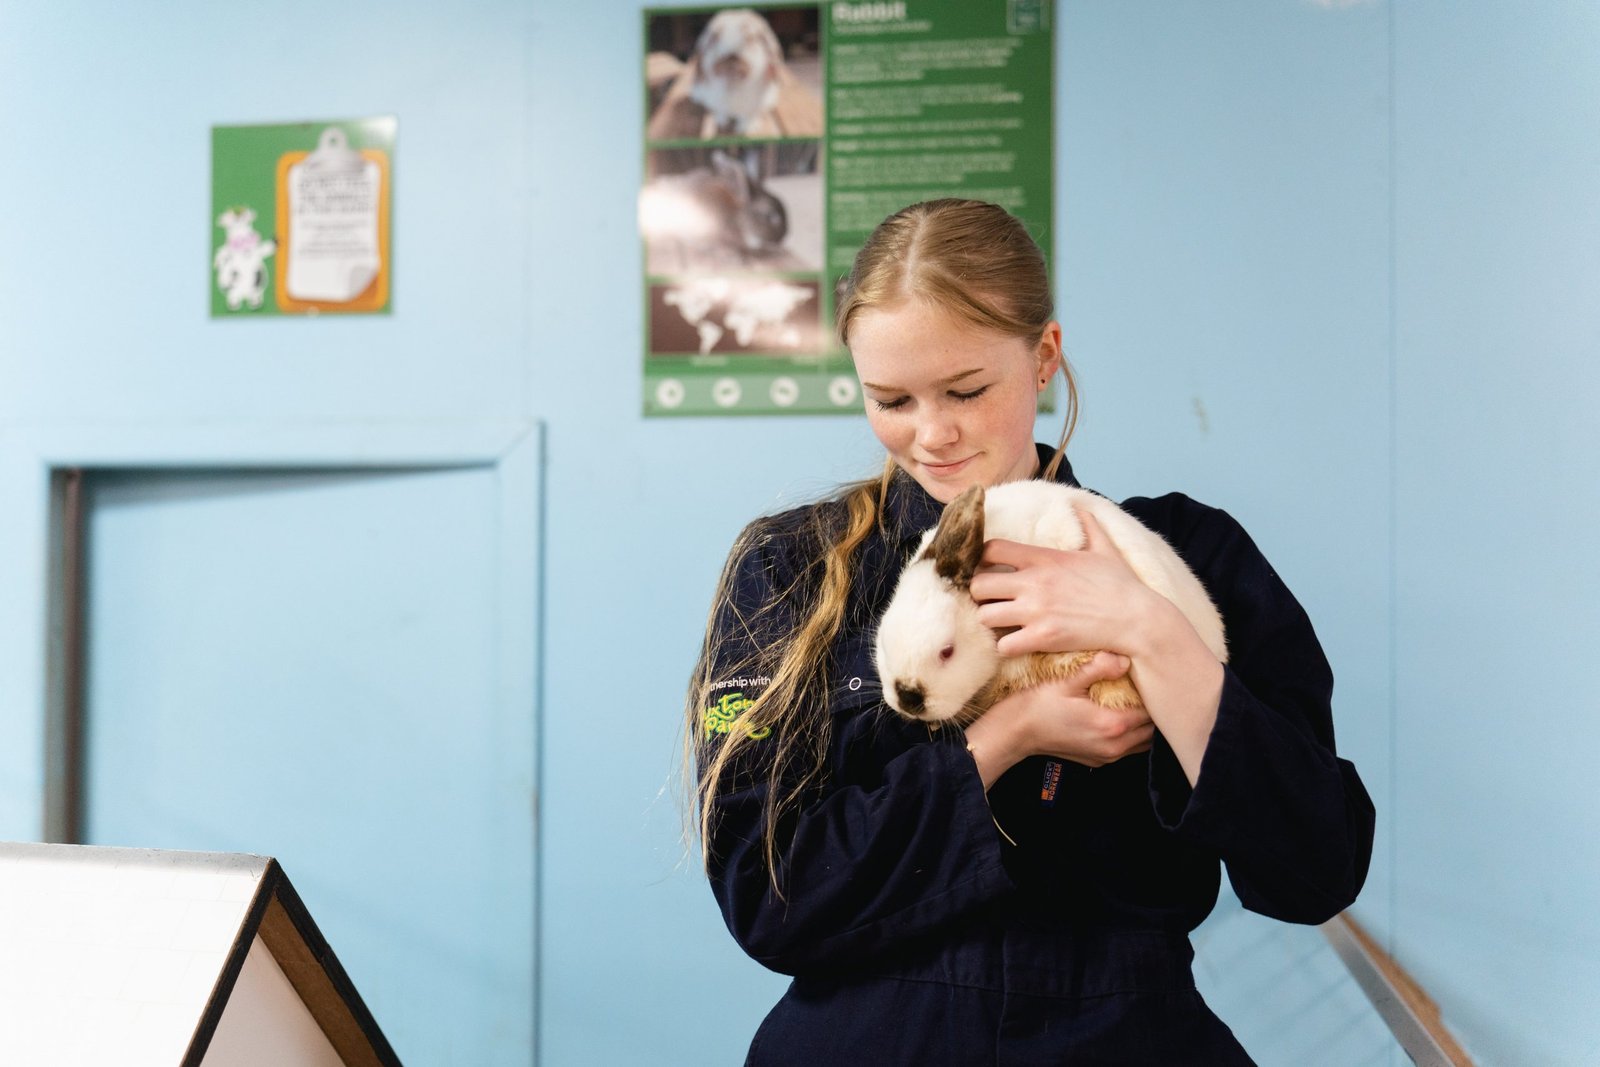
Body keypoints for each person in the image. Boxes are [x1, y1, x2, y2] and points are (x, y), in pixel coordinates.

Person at [685, 198, 1375, 1064]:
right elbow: (768, 896)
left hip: (1126, 1030)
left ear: (1044, 357)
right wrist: (1005, 736)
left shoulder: (1187, 555)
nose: (932, 434)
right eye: (890, 399)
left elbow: (1318, 868)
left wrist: (1150, 630)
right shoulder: (793, 569)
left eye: (968, 390)